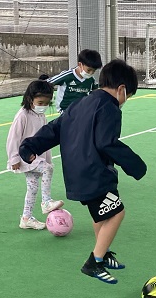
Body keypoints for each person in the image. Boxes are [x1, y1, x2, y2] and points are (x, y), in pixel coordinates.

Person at [19, 59, 147, 284]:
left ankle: (103, 253)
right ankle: (94, 262)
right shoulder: (110, 108)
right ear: (122, 90)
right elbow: (107, 142)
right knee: (117, 213)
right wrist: (135, 165)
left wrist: (30, 146)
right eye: (129, 96)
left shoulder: (80, 103)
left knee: (102, 214)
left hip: (76, 173)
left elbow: (55, 128)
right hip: (94, 172)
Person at [6, 77, 64, 229]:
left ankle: (26, 218)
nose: (43, 106)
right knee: (47, 169)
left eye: (46, 103)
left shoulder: (41, 116)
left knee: (32, 188)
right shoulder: (22, 115)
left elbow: (45, 140)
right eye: (40, 103)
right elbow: (13, 137)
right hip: (26, 157)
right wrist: (13, 158)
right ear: (30, 99)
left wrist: (48, 158)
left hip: (38, 157)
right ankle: (46, 201)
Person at [48, 48, 103, 113]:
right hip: (65, 111)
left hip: (81, 111)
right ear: (80, 64)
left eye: (93, 71)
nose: (91, 73)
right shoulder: (67, 75)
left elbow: (95, 92)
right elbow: (47, 83)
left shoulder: (91, 80)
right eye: (89, 70)